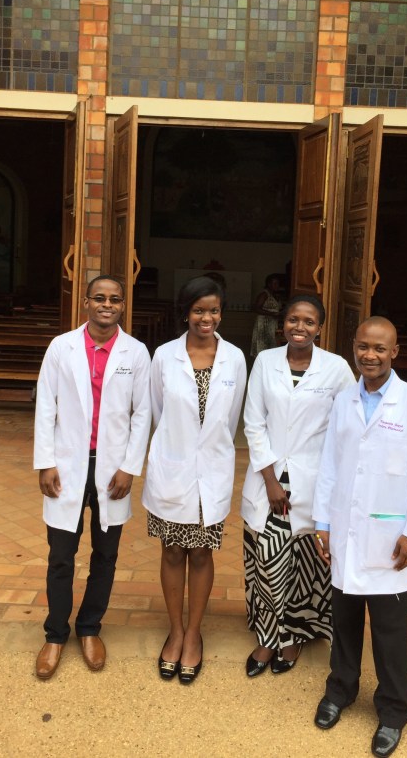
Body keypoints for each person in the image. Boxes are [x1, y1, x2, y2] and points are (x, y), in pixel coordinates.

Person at [312, 317, 407, 758]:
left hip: (390, 536)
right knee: (343, 623)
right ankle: (340, 690)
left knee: (388, 631)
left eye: (380, 349)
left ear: (394, 352)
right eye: (363, 346)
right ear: (354, 348)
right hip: (346, 530)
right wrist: (322, 523)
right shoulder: (344, 400)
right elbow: (330, 463)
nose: (370, 355)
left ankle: (394, 710)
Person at [33, 274, 151, 680]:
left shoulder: (136, 352)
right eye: (99, 298)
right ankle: (55, 634)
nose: (107, 305)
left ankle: (89, 627)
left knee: (106, 555)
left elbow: (142, 413)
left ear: (123, 306)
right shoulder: (61, 347)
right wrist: (46, 462)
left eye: (114, 299)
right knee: (60, 555)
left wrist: (129, 466)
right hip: (67, 464)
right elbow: (46, 405)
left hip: (112, 467)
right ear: (86, 302)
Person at [241, 295, 355, 677]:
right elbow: (254, 423)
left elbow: (353, 419)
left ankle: (292, 638)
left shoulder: (336, 369)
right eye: (293, 319)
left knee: (305, 566)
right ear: (283, 324)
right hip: (269, 482)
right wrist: (270, 481)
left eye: (308, 321)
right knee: (267, 561)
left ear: (319, 327)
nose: (299, 327)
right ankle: (267, 636)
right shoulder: (265, 361)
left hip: (315, 481)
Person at [142, 275, 247, 684]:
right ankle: (175, 631)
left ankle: (194, 634)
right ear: (185, 312)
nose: (207, 318)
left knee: (202, 553)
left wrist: (208, 452)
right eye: (199, 310)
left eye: (214, 310)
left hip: (212, 472)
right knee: (171, 550)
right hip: (173, 468)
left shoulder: (234, 358)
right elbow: (156, 411)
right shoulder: (164, 356)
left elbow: (231, 419)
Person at [250, 274, 283, 358]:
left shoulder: (275, 295)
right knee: (262, 346)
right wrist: (272, 314)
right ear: (269, 284)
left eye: (278, 283)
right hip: (263, 324)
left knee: (271, 346)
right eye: (275, 283)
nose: (277, 285)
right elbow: (256, 308)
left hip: (272, 324)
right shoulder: (264, 294)